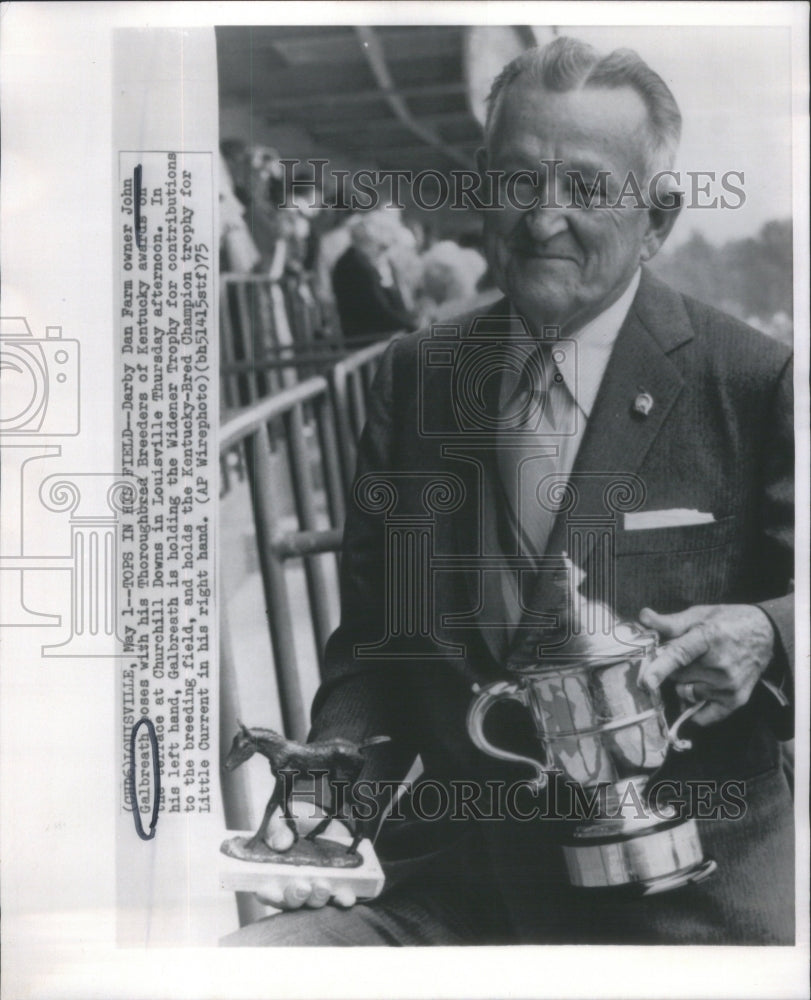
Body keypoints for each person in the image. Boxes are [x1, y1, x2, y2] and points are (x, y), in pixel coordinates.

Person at [223, 36, 794, 946]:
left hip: (688, 895)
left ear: (659, 217)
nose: (542, 220)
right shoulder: (418, 377)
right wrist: (329, 821)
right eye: (518, 183)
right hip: (458, 883)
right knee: (247, 963)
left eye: (587, 189)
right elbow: (380, 646)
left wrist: (769, 632)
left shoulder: (754, 378)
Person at [331, 209, 419, 344]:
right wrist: (413, 325)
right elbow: (379, 311)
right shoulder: (355, 265)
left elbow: (392, 305)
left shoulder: (364, 262)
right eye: (383, 247)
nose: (384, 252)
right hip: (366, 341)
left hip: (378, 337)